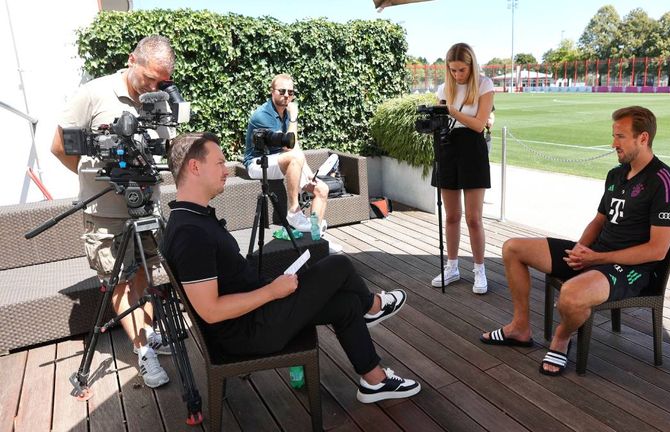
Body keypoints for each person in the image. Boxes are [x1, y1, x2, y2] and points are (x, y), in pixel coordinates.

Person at [162, 132, 421, 403]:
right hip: (251, 331)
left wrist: (271, 287)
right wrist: (272, 292)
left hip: (256, 314)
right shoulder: (190, 233)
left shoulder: (191, 219)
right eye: (219, 163)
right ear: (194, 167)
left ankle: (374, 381)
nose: (226, 170)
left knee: (345, 305)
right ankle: (373, 306)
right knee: (339, 264)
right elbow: (211, 311)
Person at [480, 106, 670, 376]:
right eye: (613, 136)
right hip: (596, 254)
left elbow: (657, 251)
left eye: (620, 137)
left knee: (571, 296)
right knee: (513, 248)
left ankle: (562, 337)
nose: (613, 144)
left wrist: (597, 258)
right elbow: (599, 221)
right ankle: (520, 327)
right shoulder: (617, 174)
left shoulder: (665, 182)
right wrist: (580, 249)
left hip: (632, 270)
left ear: (643, 138)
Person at [50, 35, 176, 388]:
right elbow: (60, 147)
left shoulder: (160, 99)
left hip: (146, 207)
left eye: (161, 81)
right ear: (131, 59)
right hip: (105, 211)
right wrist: (98, 179)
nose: (154, 86)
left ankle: (148, 335)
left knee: (144, 275)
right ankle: (143, 351)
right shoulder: (93, 93)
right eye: (150, 77)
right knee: (119, 279)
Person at [243, 73, 342, 254]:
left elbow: (295, 148)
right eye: (282, 91)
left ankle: (316, 241)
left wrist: (310, 175)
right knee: (294, 157)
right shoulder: (262, 115)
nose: (287, 95)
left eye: (290, 92)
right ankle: (294, 212)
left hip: (285, 161)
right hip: (258, 163)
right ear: (272, 92)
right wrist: (294, 118)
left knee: (322, 190)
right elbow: (289, 147)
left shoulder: (286, 113)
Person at [430, 43, 494, 294]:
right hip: (448, 148)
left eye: (462, 69)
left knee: (473, 218)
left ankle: (480, 269)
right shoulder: (444, 88)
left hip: (472, 149)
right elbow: (443, 122)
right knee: (452, 216)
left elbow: (479, 125)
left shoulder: (485, 84)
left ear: (471, 65)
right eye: (453, 70)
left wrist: (452, 111)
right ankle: (452, 266)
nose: (457, 75)